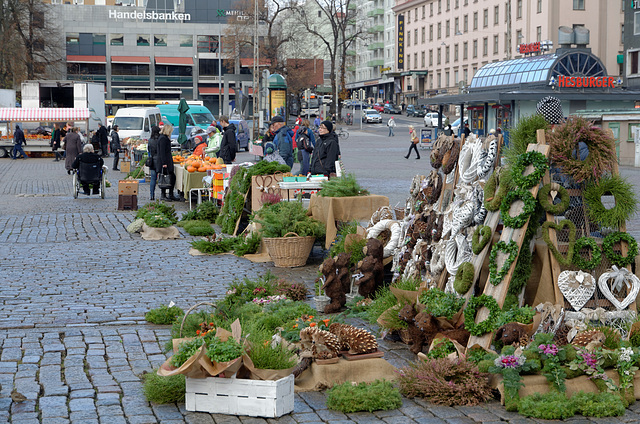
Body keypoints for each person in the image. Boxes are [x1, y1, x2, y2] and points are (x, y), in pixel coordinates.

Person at [156, 124, 180, 202]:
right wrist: (164, 163)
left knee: (170, 177)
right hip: (165, 161)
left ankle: (170, 194)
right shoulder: (163, 138)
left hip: (166, 160)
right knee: (166, 177)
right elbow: (162, 152)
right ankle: (165, 195)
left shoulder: (164, 138)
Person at [147, 125, 160, 201]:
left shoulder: (150, 140)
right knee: (161, 177)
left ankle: (152, 194)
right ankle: (163, 193)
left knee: (153, 178)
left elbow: (149, 150)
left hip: (152, 160)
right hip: (159, 160)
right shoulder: (160, 139)